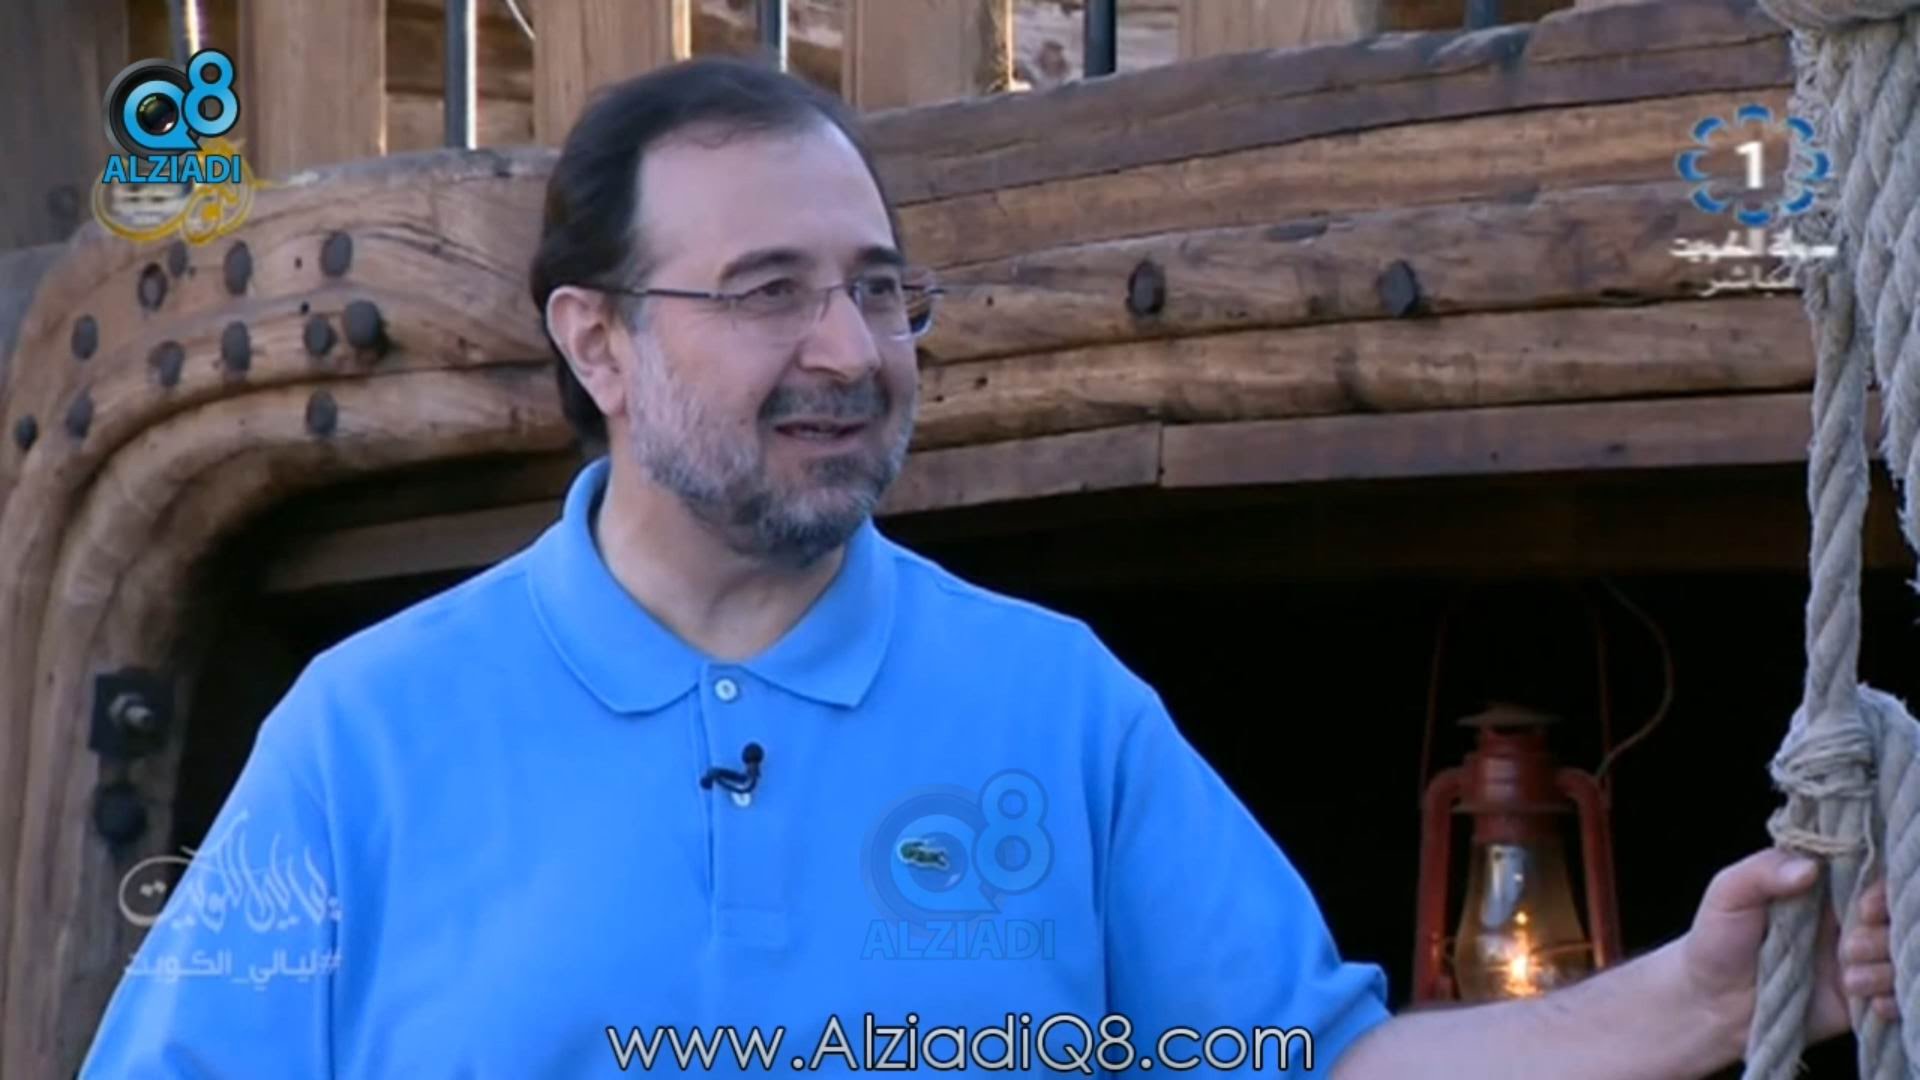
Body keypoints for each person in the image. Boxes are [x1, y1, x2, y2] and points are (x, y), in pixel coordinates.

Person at [81, 57, 1897, 1077]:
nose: (853, 351)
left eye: (879, 291)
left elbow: (1322, 1070)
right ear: (599, 342)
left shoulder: (1057, 707)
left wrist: (1703, 994)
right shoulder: (365, 735)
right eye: (770, 292)